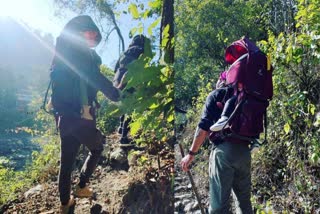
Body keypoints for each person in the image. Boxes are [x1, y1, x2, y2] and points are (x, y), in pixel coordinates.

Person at [50, 15, 120, 213]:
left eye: (95, 36)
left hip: (64, 117)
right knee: (97, 148)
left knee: (66, 164)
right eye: (91, 32)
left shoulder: (62, 49)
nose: (93, 38)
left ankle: (65, 204)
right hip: (82, 117)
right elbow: (94, 77)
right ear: (82, 30)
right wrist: (115, 94)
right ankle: (81, 187)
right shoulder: (80, 51)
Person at [180, 46, 254, 213]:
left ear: (221, 81)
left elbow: (203, 129)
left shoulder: (215, 95)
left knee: (219, 205)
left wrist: (191, 154)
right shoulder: (247, 95)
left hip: (223, 153)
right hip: (245, 151)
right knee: (244, 203)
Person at [113, 35, 145, 144]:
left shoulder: (124, 53)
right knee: (131, 108)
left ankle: (121, 128)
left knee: (125, 105)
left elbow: (115, 69)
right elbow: (142, 67)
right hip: (131, 80)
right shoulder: (141, 50)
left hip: (118, 81)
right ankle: (124, 137)